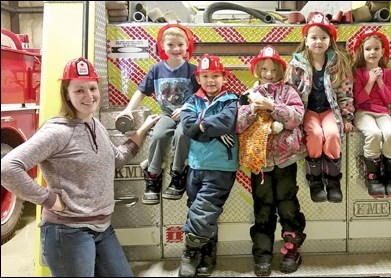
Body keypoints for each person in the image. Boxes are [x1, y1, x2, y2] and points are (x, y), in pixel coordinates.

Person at [0, 57, 160, 277]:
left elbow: (116, 159)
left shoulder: (95, 126)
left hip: (102, 228)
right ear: (67, 94)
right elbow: (7, 169)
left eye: (92, 88)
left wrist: (142, 130)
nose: (89, 96)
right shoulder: (58, 132)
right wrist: (48, 199)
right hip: (67, 232)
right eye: (79, 90)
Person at [237, 45, 308, 276]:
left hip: (286, 160)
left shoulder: (289, 92)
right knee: (263, 209)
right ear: (257, 70)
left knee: (288, 206)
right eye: (264, 69)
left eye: (273, 69)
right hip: (261, 164)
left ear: (280, 70)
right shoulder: (249, 93)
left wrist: (273, 107)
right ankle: (262, 255)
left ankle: (291, 250)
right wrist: (251, 109)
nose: (269, 73)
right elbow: (238, 124)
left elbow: (297, 117)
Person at [116, 23, 200, 205]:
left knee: (182, 134)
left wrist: (187, 108)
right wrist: (128, 109)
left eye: (180, 44)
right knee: (158, 135)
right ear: (162, 46)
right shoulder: (156, 70)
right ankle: (153, 176)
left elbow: (201, 96)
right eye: (170, 44)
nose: (176, 49)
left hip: (187, 115)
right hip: (165, 114)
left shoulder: (193, 71)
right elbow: (142, 90)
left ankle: (177, 174)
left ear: (187, 46)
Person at [177, 54, 239, 277]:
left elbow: (226, 122)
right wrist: (209, 129)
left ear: (224, 78)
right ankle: (207, 254)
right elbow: (187, 127)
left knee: (203, 211)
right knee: (198, 210)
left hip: (221, 166)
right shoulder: (191, 100)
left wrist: (200, 126)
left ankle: (189, 252)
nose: (211, 80)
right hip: (195, 165)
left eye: (215, 76)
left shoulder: (231, 100)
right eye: (205, 76)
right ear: (199, 78)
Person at [286, 11, 355, 203]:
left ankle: (333, 182)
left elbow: (345, 91)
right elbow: (289, 92)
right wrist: (292, 118)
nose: (318, 41)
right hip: (307, 111)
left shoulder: (337, 63)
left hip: (329, 111)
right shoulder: (296, 64)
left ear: (330, 40)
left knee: (332, 134)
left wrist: (347, 117)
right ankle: (315, 182)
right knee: (315, 135)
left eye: (323, 37)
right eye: (314, 37)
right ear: (306, 40)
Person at [352, 31, 391, 198]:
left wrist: (379, 80)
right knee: (373, 133)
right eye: (368, 49)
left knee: (390, 134)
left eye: (376, 48)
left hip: (382, 113)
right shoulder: (358, 73)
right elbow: (358, 99)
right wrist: (370, 80)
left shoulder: (388, 74)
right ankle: (373, 177)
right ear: (362, 52)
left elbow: (389, 98)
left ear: (382, 51)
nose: (372, 52)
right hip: (363, 112)